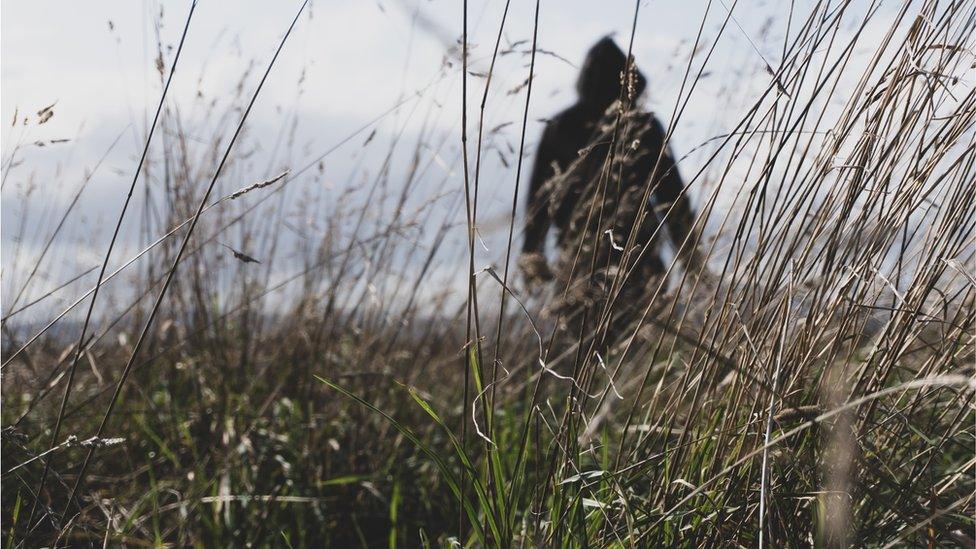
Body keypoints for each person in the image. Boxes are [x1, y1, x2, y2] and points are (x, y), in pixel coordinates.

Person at [519, 36, 699, 343]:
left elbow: (539, 202)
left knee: (585, 352)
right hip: (638, 260)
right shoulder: (644, 126)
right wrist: (691, 257)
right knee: (635, 351)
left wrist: (532, 254)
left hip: (578, 264)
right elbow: (673, 199)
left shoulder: (560, 127)